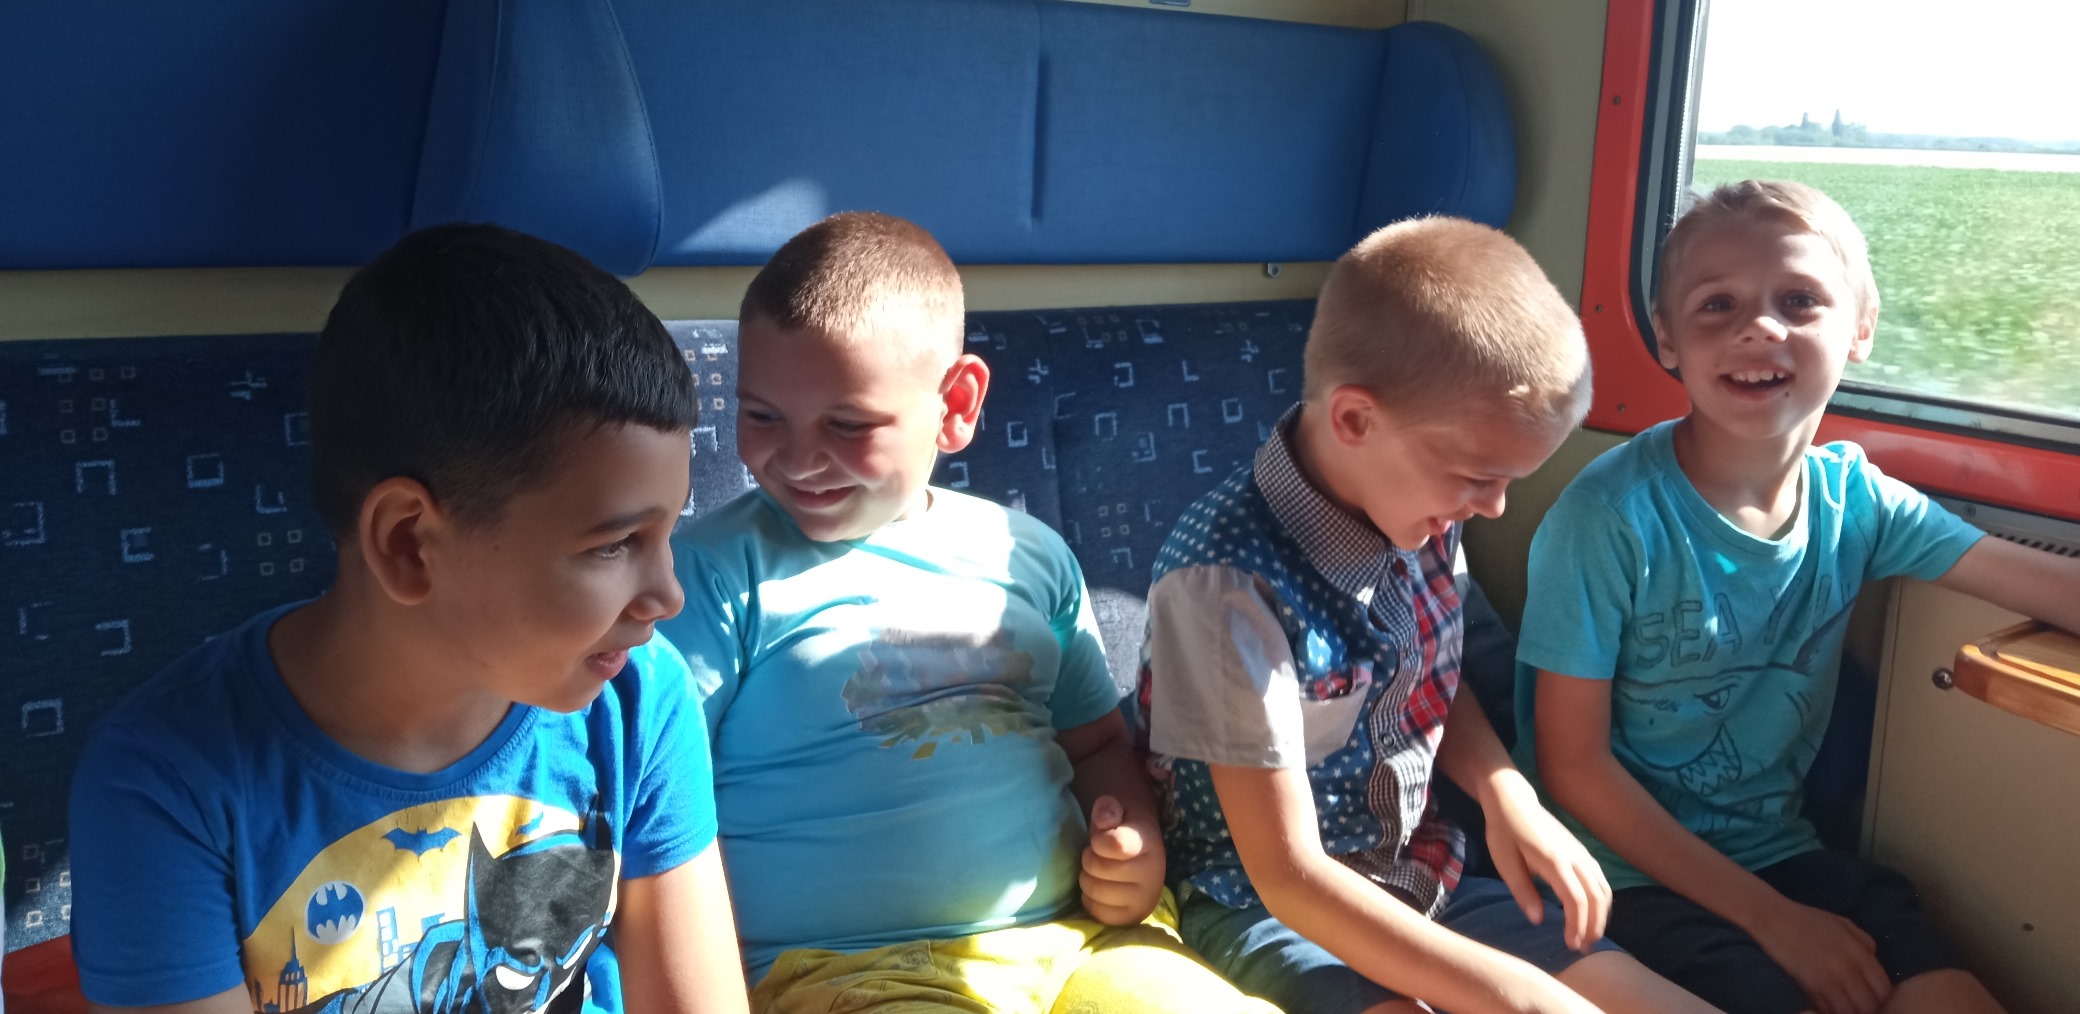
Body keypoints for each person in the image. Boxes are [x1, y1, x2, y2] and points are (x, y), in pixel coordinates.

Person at [67, 223, 748, 1014]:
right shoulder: (164, 783)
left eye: (665, 535)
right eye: (613, 546)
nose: (667, 597)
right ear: (408, 544)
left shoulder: (638, 698)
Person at [666, 211, 1277, 1013]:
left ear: (955, 404)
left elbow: (1097, 743)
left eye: (847, 424)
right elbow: (658, 793)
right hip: (844, 971)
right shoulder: (711, 572)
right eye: (760, 415)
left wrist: (1134, 839)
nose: (797, 457)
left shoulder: (1029, 556)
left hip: (1075, 943)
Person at [1519, 179, 2080, 1014]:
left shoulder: (1855, 500)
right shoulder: (1609, 519)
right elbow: (1575, 768)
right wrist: (1772, 921)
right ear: (1666, 337)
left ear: (1861, 327)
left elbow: (2041, 582)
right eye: (1717, 305)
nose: (1759, 328)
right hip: (1619, 875)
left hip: (1782, 853)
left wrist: (1784, 905)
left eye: (1799, 300)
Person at [1135, 215, 1714, 1014]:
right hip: (1271, 909)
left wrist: (1505, 793)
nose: (1495, 507)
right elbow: (1288, 874)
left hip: (1421, 874)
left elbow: (1421, 682)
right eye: (1479, 477)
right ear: (1355, 420)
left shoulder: (1422, 513)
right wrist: (1519, 994)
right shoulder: (1223, 586)